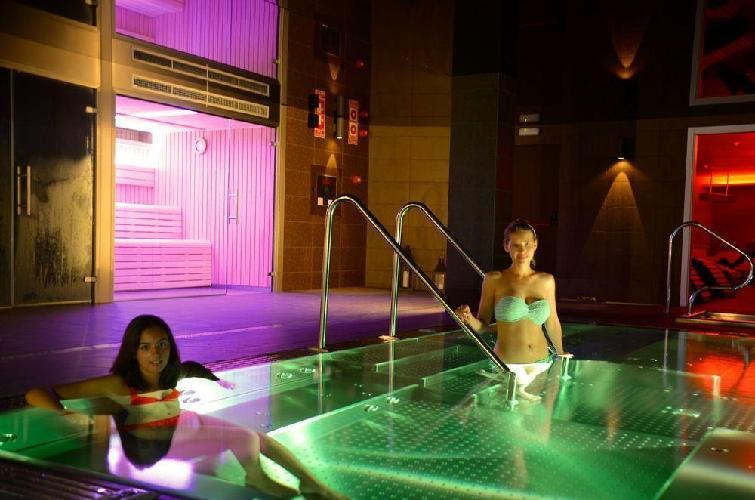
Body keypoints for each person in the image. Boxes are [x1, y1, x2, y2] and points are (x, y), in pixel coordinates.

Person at [25, 314, 346, 499]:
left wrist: (217, 380)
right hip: (155, 446)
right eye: (145, 347)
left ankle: (312, 483)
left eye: (162, 345)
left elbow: (191, 370)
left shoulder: (169, 374)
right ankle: (255, 477)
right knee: (245, 437)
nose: (156, 354)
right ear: (133, 351)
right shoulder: (119, 383)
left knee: (260, 438)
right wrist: (64, 413)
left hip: (182, 427)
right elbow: (36, 393)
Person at [455, 219, 572, 401]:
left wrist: (560, 352)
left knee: (535, 416)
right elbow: (482, 326)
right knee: (508, 415)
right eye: (516, 245)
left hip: (542, 363)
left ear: (535, 244)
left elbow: (552, 322)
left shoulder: (546, 281)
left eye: (527, 244)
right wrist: (468, 318)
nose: (522, 251)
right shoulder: (494, 280)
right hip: (507, 365)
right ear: (506, 246)